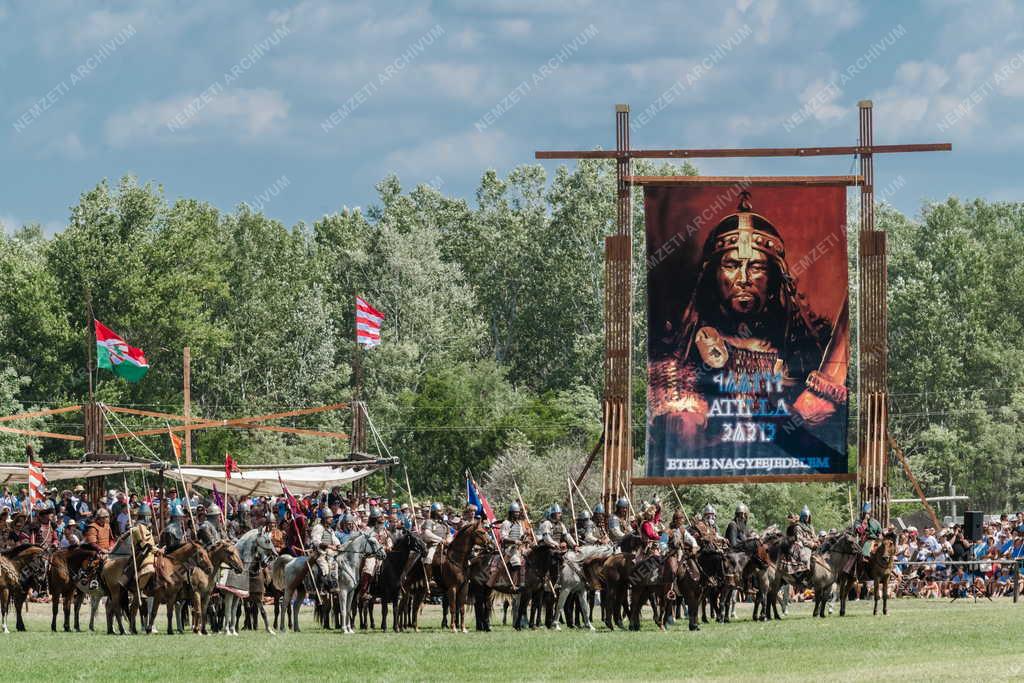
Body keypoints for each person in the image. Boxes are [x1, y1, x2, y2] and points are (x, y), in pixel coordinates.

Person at [647, 191, 849, 471]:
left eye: (755, 267)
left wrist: (812, 411)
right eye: (731, 265)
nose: (742, 279)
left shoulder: (807, 344)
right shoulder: (678, 351)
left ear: (775, 277)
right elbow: (682, 434)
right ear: (713, 274)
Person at [785, 505, 816, 581]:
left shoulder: (810, 527)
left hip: (812, 544)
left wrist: (816, 541)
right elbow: (800, 538)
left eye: (808, 516)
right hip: (802, 545)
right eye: (805, 516)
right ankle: (801, 576)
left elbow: (814, 536)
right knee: (806, 558)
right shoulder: (798, 526)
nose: (807, 518)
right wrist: (811, 544)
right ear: (802, 517)